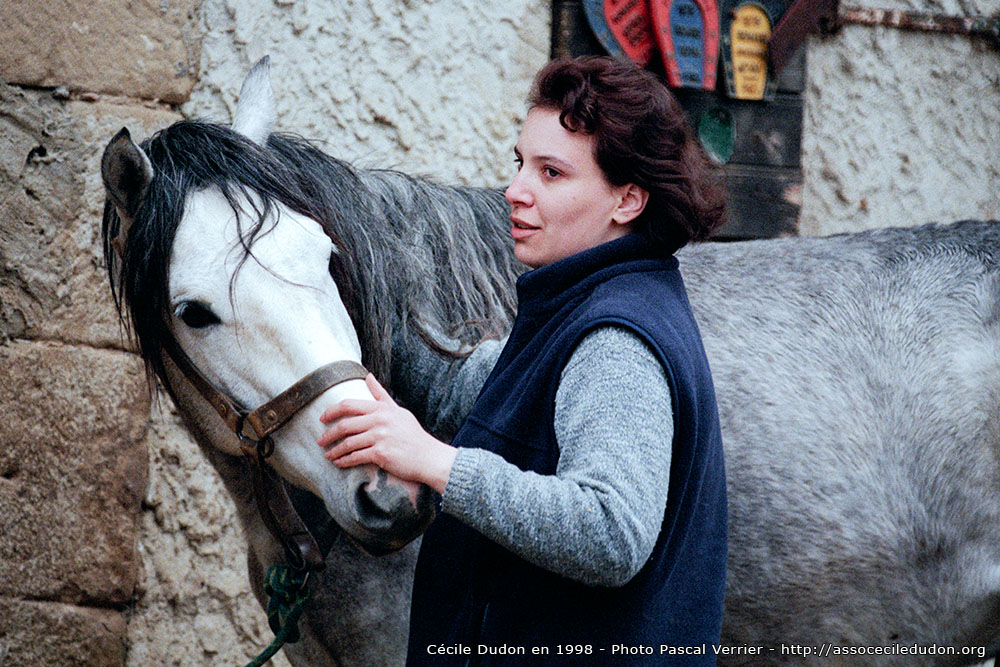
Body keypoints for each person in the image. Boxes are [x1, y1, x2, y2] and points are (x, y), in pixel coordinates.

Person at [317, 56, 728, 664]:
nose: (515, 191)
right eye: (520, 163)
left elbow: (611, 531)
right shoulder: (580, 303)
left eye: (552, 173)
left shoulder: (615, 339)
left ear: (628, 200)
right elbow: (484, 393)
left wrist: (436, 462)